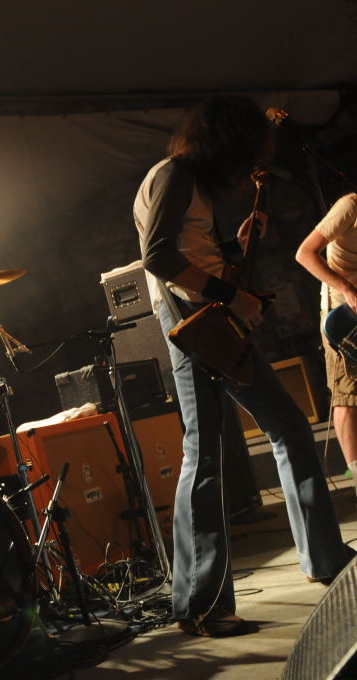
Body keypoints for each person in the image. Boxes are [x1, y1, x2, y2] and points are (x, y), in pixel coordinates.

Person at [133, 95, 353, 637]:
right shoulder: (172, 175)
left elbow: (193, 253)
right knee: (204, 454)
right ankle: (200, 604)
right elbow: (157, 255)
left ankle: (324, 557)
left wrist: (235, 249)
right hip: (193, 324)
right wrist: (231, 295)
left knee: (290, 427)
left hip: (214, 318)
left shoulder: (190, 183)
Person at [295, 192, 357, 494]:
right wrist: (347, 288)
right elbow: (305, 253)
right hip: (343, 316)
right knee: (347, 396)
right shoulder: (350, 206)